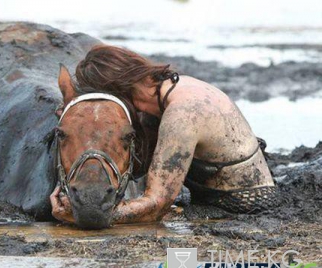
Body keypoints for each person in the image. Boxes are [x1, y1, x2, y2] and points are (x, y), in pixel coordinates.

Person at [51, 45, 277, 224]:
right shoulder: (170, 92)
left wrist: (87, 214)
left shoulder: (183, 114)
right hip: (215, 197)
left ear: (118, 90)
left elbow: (157, 204)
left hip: (241, 207)